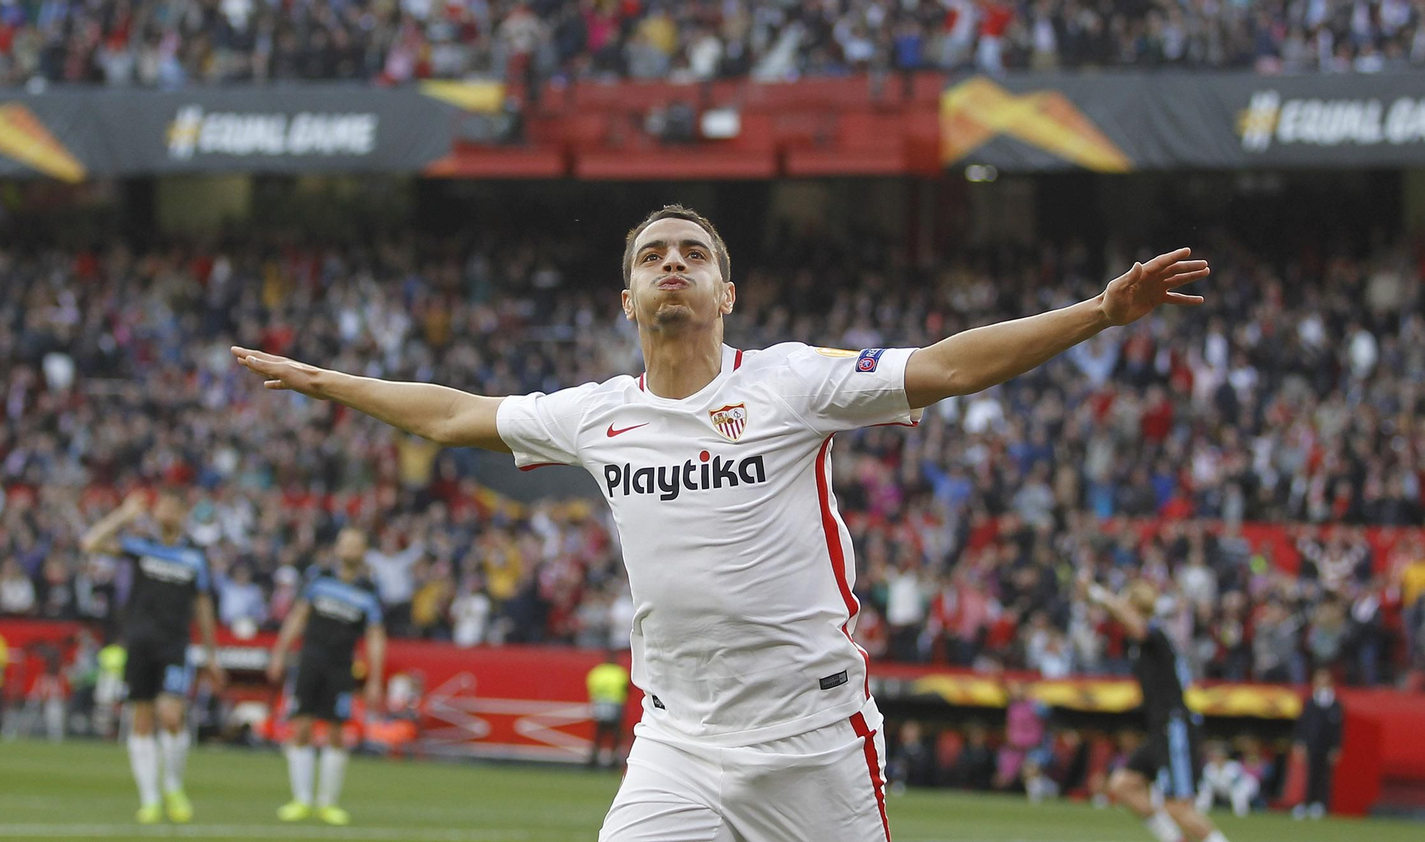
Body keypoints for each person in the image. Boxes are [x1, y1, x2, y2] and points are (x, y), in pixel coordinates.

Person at [235, 204, 1209, 841]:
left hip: (811, 737)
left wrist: (1097, 311)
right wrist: (324, 381)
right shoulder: (596, 413)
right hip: (679, 742)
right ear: (626, 298)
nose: (672, 264)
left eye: (691, 254)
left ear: (724, 293)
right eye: (652, 256)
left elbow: (947, 365)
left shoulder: (793, 380)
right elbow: (451, 414)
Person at [81, 491, 225, 825]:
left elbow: (203, 607)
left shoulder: (194, 557)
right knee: (140, 720)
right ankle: (149, 798)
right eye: (161, 506)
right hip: (139, 644)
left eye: (173, 506)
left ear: (182, 514)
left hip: (174, 646)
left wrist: (211, 653)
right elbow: (90, 543)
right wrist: (124, 513)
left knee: (171, 716)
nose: (166, 511)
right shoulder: (141, 545)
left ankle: (173, 785)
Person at [1083, 577, 1231, 842]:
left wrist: (1098, 594)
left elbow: (1135, 624)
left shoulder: (1155, 633)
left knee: (1178, 807)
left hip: (1175, 726)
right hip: (1160, 727)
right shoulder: (1143, 641)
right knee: (1123, 785)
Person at [267, 525, 386, 827]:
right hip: (310, 662)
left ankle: (328, 803)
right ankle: (302, 800)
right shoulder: (318, 579)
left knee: (336, 732)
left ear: (362, 552)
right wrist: (280, 652)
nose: (347, 548)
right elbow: (298, 616)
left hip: (341, 667)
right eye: (343, 542)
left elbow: (375, 636)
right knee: (301, 726)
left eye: (354, 544)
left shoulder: (369, 591)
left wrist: (374, 679)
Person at [1292, 667, 1343, 820]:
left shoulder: (1335, 704)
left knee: (1325, 776)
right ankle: (1307, 803)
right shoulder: (1310, 702)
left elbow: (1338, 728)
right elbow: (1303, 725)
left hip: (1326, 745)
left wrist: (1336, 746)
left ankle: (1321, 805)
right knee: (1311, 775)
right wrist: (1299, 742)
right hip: (1311, 744)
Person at [586, 648, 630, 769]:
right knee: (615, 735)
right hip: (615, 705)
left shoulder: (598, 672)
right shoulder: (619, 672)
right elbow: (626, 688)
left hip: (600, 705)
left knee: (599, 734)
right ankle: (613, 760)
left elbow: (591, 686)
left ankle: (592, 760)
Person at [1195, 742, 1258, 818]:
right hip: (1223, 789)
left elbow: (1237, 784)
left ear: (1224, 757)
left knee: (1238, 792)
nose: (1217, 759)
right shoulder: (1208, 767)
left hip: (1246, 787)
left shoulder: (1233, 766)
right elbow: (1206, 783)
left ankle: (1241, 813)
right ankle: (1200, 809)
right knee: (1205, 788)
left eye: (1219, 757)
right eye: (1215, 757)